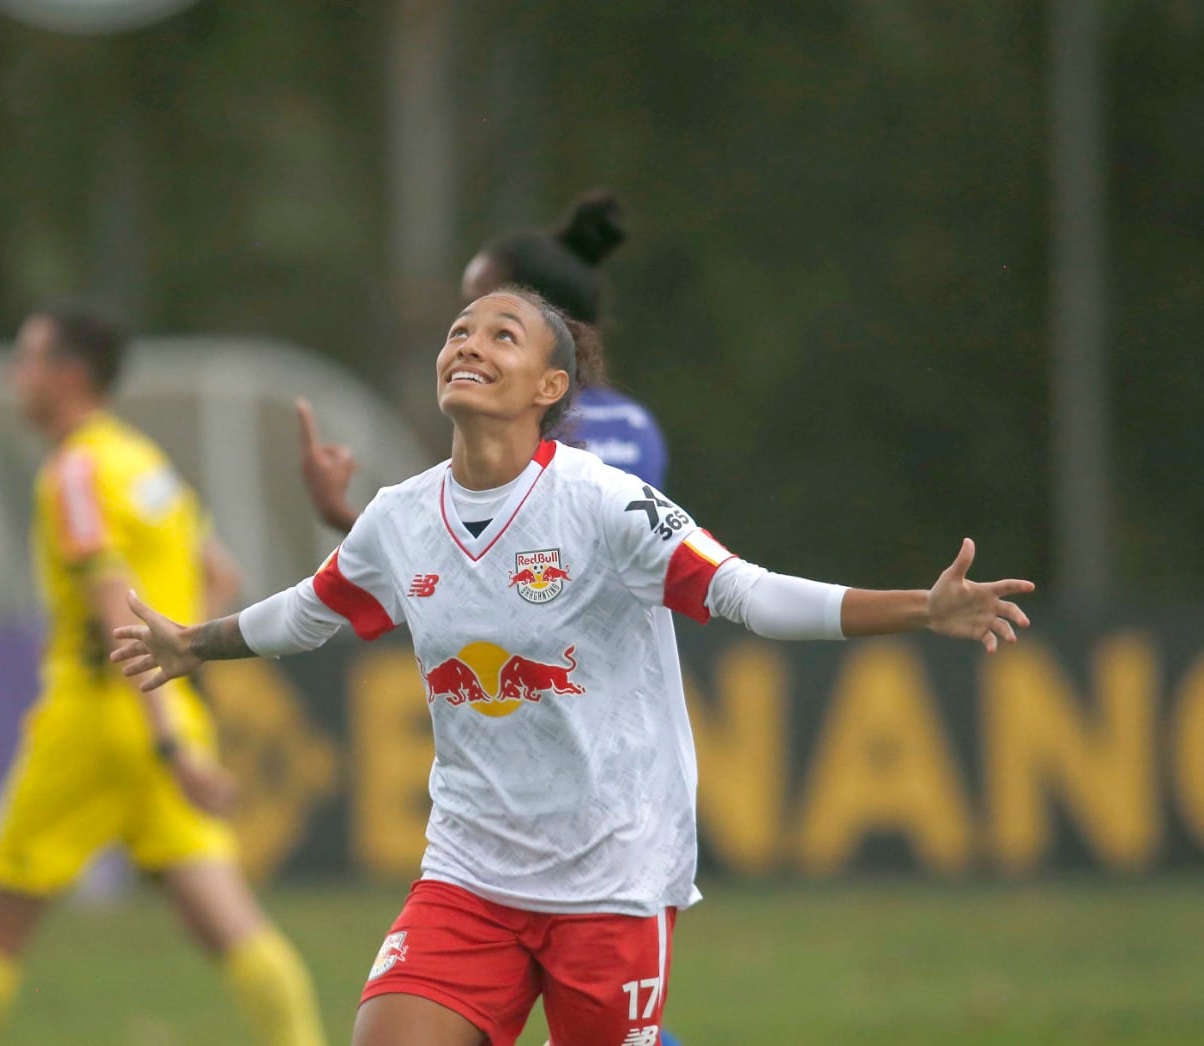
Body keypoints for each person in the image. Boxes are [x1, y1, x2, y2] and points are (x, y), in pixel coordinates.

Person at [110, 287, 1033, 1046]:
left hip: (611, 879)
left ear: (550, 383)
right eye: (458, 332)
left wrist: (923, 607)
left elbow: (752, 595)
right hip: (469, 876)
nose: (469, 344)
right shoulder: (399, 516)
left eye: (500, 335)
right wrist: (194, 643)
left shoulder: (606, 506)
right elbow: (311, 612)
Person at [0, 305, 327, 1046]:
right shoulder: (147, 465)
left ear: (68, 375)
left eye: (27, 360)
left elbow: (113, 600)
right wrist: (175, 727)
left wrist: (164, 741)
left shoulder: (77, 469)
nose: (17, 377)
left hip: (97, 721)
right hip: (167, 713)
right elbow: (219, 574)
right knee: (234, 928)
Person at [297, 188, 666, 534]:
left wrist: (340, 513)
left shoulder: (523, 439)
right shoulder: (635, 424)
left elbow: (473, 571)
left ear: (547, 322)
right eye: (464, 319)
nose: (466, 340)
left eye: (494, 324)